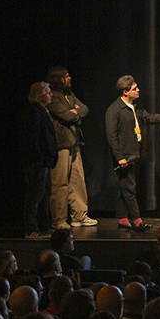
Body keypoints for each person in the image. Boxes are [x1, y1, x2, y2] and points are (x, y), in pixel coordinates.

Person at [104, 75, 160, 232]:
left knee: (125, 187)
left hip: (136, 153)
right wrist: (119, 157)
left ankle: (123, 218)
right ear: (125, 92)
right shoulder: (114, 110)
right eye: (134, 88)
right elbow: (111, 136)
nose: (138, 90)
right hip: (124, 155)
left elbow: (149, 117)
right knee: (129, 188)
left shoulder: (135, 107)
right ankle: (137, 221)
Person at [47, 67, 96, 229]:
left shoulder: (68, 94)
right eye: (66, 76)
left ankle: (79, 216)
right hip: (61, 145)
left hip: (74, 142)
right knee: (60, 183)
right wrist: (74, 113)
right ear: (58, 79)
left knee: (77, 180)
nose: (69, 78)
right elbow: (67, 116)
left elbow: (84, 109)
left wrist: (75, 112)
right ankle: (59, 220)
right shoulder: (52, 96)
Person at [20, 81, 57, 238]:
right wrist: (40, 157)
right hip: (36, 161)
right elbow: (32, 137)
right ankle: (31, 228)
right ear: (40, 95)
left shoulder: (42, 111)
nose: (51, 95)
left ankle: (44, 226)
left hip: (43, 161)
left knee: (44, 195)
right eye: (48, 93)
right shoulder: (34, 112)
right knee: (35, 195)